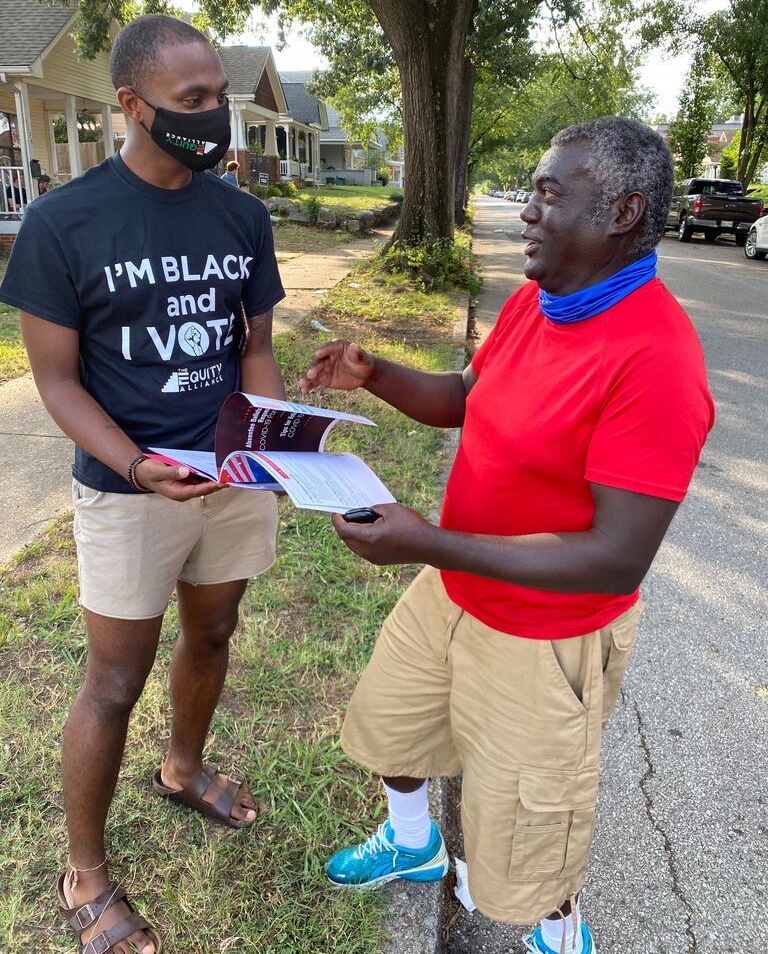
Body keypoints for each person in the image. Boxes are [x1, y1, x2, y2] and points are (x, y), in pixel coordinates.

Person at [299, 117, 714, 954]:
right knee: (391, 726)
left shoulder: (656, 358)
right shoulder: (538, 299)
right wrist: (373, 375)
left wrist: (427, 543)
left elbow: (616, 556)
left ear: (623, 213)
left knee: (529, 839)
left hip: (543, 638)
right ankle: (414, 843)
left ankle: (561, 936)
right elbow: (466, 394)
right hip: (452, 590)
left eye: (551, 193)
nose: (528, 210)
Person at [0, 14, 286, 954]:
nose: (215, 120)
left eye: (219, 99)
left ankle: (183, 766)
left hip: (230, 475)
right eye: (192, 102)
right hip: (130, 489)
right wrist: (134, 464)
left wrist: (276, 443)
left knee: (214, 628)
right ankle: (84, 869)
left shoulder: (241, 214)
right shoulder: (61, 222)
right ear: (132, 105)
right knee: (114, 679)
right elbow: (56, 381)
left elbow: (254, 348)